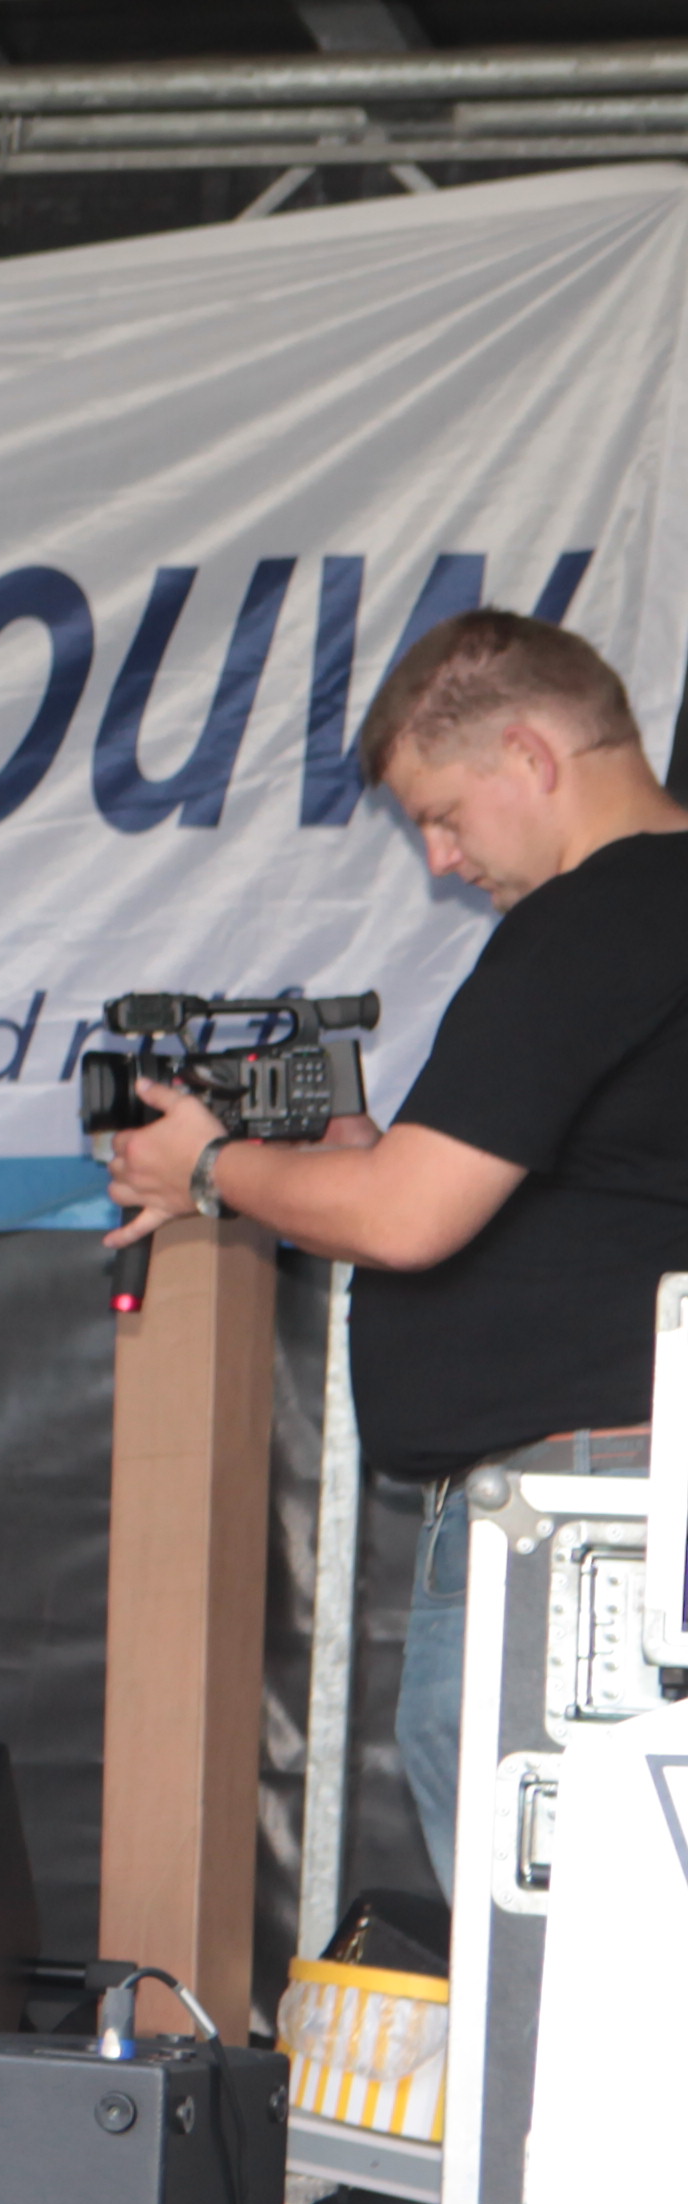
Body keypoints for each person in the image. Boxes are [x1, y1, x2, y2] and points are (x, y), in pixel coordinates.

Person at [95, 607, 688, 1892]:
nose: (438, 857)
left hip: (580, 1522)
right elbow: (564, 1194)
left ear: (530, 755)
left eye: (444, 815)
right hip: (613, 1511)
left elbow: (409, 1217)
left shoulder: (598, 917)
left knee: (552, 1940)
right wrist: (340, 1163)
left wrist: (207, 1167)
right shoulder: (647, 920)